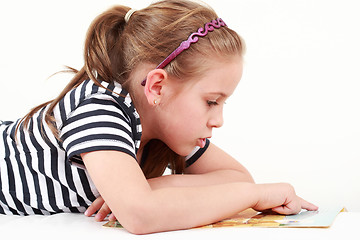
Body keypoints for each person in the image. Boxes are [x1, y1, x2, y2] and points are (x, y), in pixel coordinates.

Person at [0, 0, 317, 234]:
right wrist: (257, 195)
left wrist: (151, 188)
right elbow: (141, 215)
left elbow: (236, 178)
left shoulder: (167, 124)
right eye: (210, 102)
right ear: (157, 87)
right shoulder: (98, 109)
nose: (218, 120)